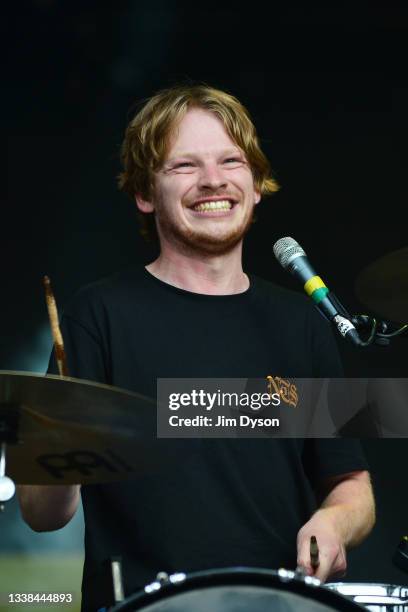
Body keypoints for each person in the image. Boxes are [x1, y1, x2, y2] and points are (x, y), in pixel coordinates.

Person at [18, 84, 375, 611]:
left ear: (255, 185)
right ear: (144, 193)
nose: (213, 180)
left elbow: (353, 485)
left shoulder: (303, 323)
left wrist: (335, 521)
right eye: (184, 166)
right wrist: (65, 446)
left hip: (280, 604)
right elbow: (42, 515)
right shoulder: (96, 316)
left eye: (231, 160)